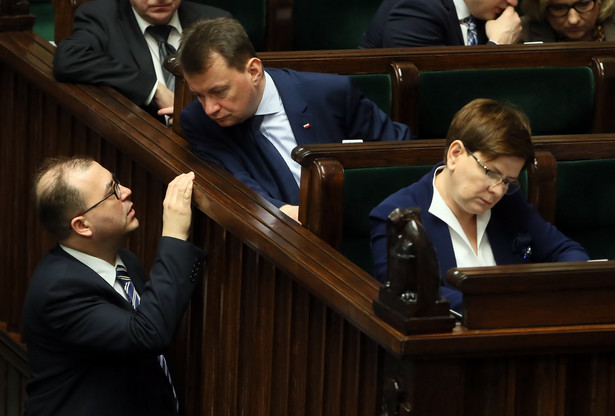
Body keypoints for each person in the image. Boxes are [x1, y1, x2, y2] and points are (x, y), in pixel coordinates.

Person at [178, 17, 412, 222]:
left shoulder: (331, 93)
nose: (210, 108)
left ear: (254, 72)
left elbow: (401, 154)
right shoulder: (199, 122)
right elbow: (237, 187)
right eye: (199, 95)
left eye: (219, 92)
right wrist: (284, 214)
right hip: (280, 241)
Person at [23, 156, 205, 415]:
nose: (126, 191)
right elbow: (148, 334)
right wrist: (175, 235)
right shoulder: (58, 289)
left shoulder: (124, 261)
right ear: (82, 225)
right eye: (112, 191)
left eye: (117, 181)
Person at [369, 99, 589, 312]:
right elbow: (416, 295)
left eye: (508, 181)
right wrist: (511, 303)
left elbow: (569, 252)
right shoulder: (397, 218)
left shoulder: (510, 203)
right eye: (491, 173)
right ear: (455, 154)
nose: (498, 190)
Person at [53, 0, 230, 123]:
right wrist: (153, 89)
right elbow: (68, 57)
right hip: (141, 141)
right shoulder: (102, 16)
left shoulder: (214, 20)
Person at [359, 0, 522, 48]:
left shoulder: (485, 12)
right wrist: (498, 44)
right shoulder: (417, 9)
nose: (513, 2)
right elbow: (441, 95)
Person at [520, 0, 615, 42]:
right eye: (559, 8)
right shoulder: (522, 31)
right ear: (542, 8)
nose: (573, 20)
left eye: (583, 4)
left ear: (601, 2)